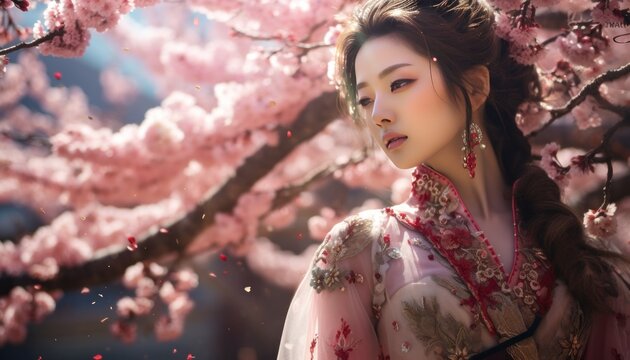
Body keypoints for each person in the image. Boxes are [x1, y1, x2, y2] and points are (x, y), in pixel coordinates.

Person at [276, 0, 630, 359]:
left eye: (399, 83)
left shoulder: (566, 239)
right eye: (365, 100)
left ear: (476, 86)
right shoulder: (359, 249)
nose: (378, 114)